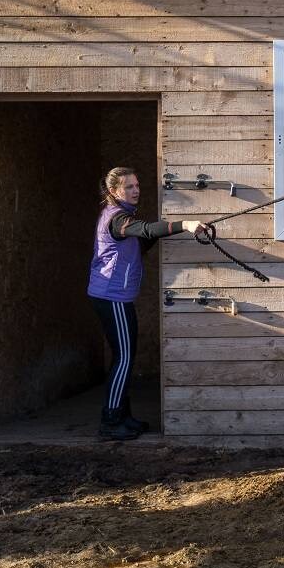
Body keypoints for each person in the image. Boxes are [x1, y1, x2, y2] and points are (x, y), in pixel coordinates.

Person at [89, 167, 206, 441]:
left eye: (137, 185)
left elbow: (142, 238)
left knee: (124, 358)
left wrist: (164, 232)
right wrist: (185, 225)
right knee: (124, 358)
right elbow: (142, 229)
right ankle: (110, 421)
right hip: (111, 296)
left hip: (115, 296)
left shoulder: (121, 217)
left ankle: (123, 416)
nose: (136, 190)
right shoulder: (117, 218)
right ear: (114, 192)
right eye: (129, 187)